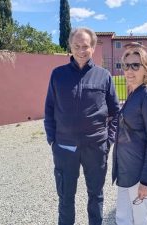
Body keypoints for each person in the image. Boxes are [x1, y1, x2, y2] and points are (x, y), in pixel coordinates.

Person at [44, 27, 120, 225]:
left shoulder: (104, 76)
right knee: (66, 198)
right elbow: (49, 109)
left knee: (96, 196)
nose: (81, 50)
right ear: (70, 46)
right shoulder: (57, 75)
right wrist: (52, 141)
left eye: (85, 46)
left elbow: (115, 113)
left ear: (93, 48)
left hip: (96, 147)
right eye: (76, 46)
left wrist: (108, 140)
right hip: (64, 148)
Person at [112, 42, 147, 225]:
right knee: (123, 217)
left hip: (139, 172)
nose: (129, 70)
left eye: (135, 65)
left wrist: (146, 180)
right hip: (125, 170)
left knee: (142, 218)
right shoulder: (133, 93)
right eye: (126, 66)